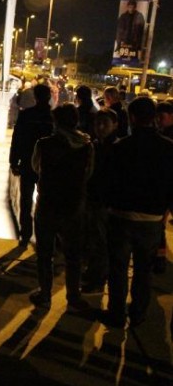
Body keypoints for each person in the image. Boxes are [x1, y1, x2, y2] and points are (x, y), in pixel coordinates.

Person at [101, 97, 173, 328]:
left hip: (121, 217)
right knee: (143, 270)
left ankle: (116, 313)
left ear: (132, 117)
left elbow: (107, 183)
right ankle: (138, 312)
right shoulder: (168, 148)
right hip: (152, 219)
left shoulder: (120, 147)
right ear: (154, 118)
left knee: (118, 268)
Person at [29, 104, 94, 310]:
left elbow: (35, 167)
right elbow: (89, 174)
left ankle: (44, 294)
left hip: (48, 204)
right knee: (73, 256)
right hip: (73, 205)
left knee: (45, 254)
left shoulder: (44, 144)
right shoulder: (87, 146)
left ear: (55, 122)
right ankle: (73, 297)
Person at [9, 84, 54, 247]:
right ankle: (43, 237)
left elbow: (17, 139)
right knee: (45, 202)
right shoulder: (54, 117)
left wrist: (14, 161)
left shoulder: (26, 115)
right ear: (49, 97)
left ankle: (25, 234)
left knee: (26, 200)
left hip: (28, 162)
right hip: (47, 166)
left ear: (35, 97)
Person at [81, 108, 118, 294]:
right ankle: (93, 273)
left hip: (105, 203)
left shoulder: (117, 148)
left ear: (115, 125)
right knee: (93, 239)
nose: (100, 127)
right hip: (92, 200)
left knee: (101, 243)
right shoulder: (94, 145)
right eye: (98, 123)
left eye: (105, 123)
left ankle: (97, 278)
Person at [153, 100, 173, 274]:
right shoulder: (161, 133)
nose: (159, 120)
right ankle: (159, 259)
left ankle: (159, 260)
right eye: (157, 117)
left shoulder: (167, 137)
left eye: (162, 117)